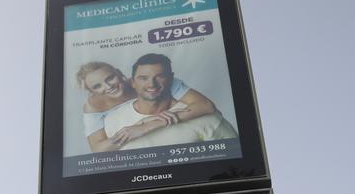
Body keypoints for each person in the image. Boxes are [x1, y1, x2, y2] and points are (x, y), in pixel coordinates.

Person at [75, 60, 218, 153]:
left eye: (110, 78)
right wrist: (134, 128)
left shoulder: (150, 83)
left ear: (118, 73)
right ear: (91, 91)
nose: (108, 86)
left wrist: (148, 125)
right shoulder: (92, 107)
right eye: (97, 86)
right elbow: (99, 149)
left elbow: (206, 106)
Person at [102, 53, 237, 150]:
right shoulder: (113, 119)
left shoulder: (205, 118)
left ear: (171, 78)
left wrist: (148, 126)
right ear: (132, 82)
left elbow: (234, 160)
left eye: (160, 76)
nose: (151, 84)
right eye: (143, 78)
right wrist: (142, 123)